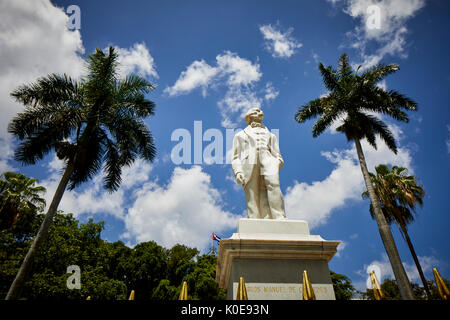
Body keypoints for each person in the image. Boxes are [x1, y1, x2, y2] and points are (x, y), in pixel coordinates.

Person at [231, 107, 286, 219]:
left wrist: (277, 163)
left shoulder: (271, 135)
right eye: (256, 111)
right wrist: (238, 172)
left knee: (274, 186)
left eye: (260, 111)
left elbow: (278, 154)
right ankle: (253, 219)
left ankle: (279, 216)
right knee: (252, 192)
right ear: (249, 116)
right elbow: (235, 157)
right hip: (249, 164)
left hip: (269, 161)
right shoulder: (240, 135)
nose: (260, 112)